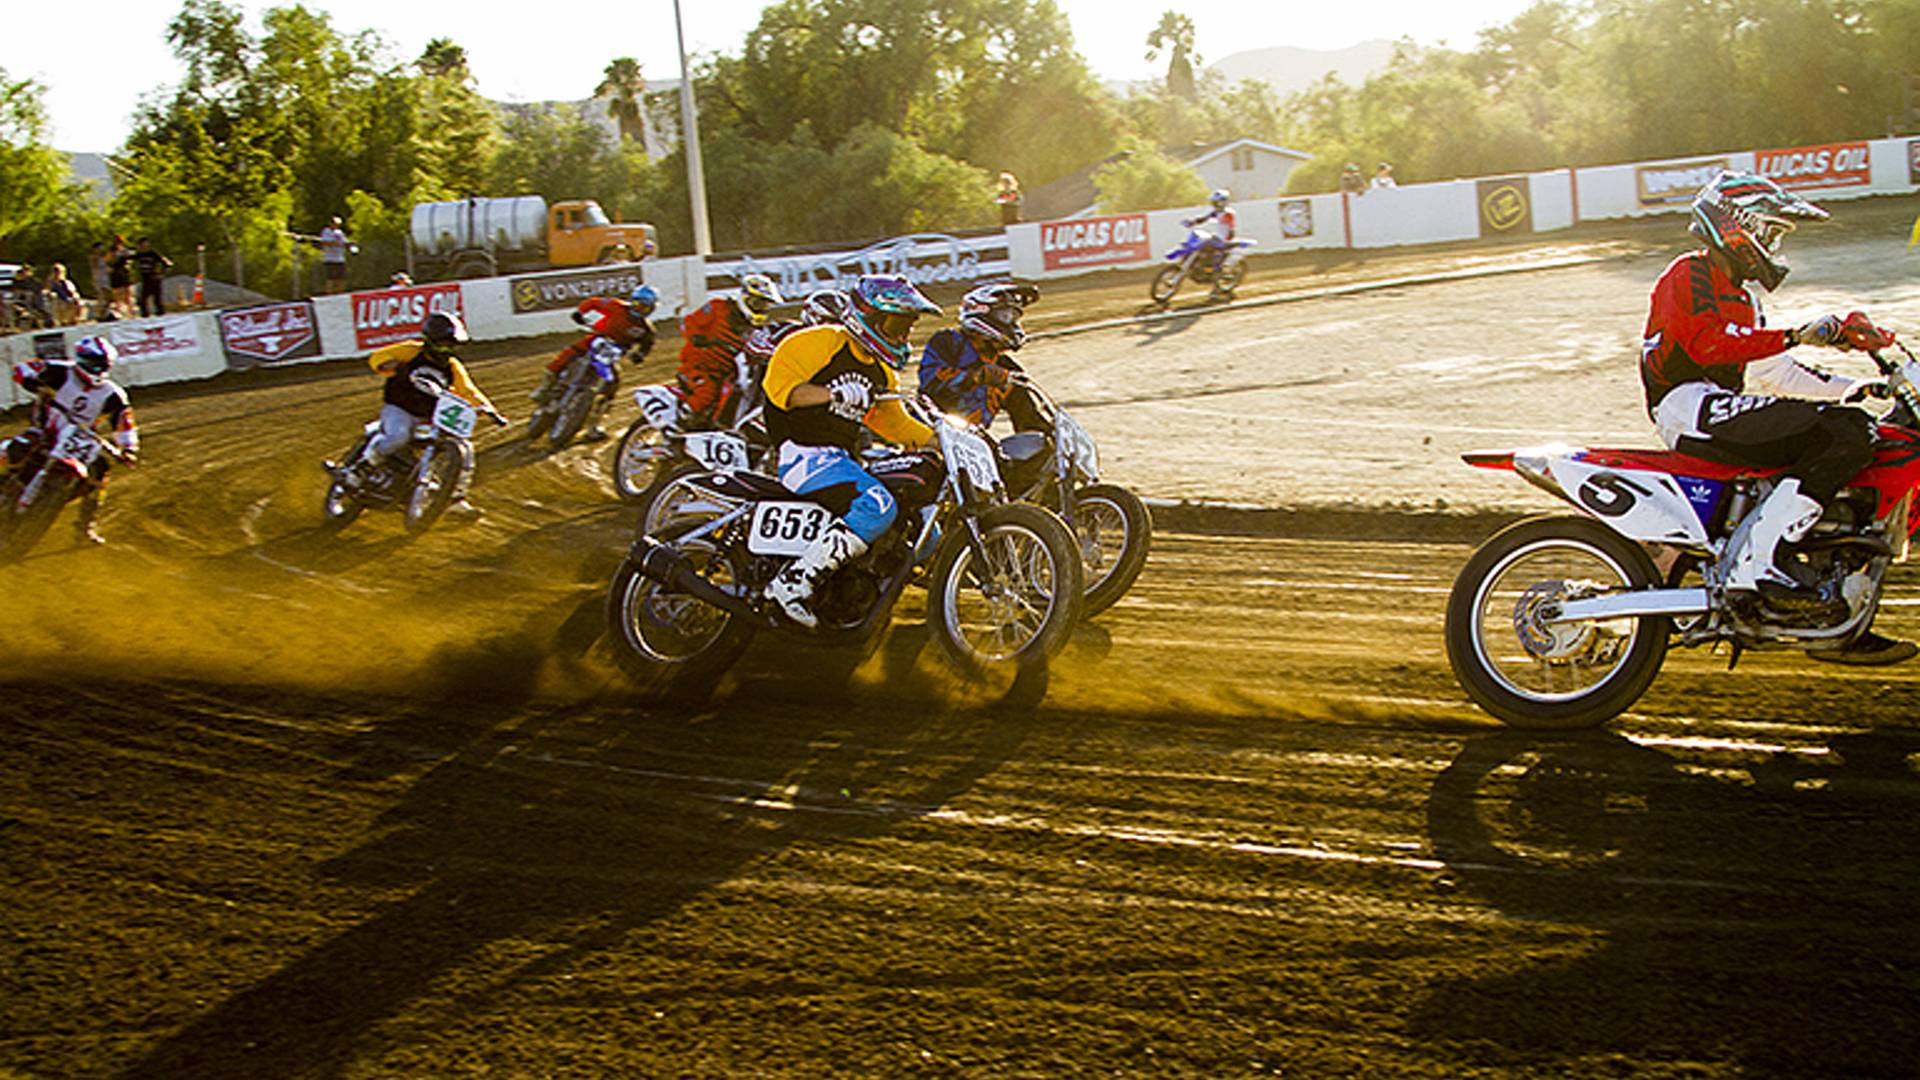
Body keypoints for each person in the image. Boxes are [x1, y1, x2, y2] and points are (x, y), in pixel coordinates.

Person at [1640, 169, 1912, 664]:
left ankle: (1833, 614)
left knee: (1855, 433)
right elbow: (1709, 342)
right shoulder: (1689, 274)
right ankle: (1757, 562)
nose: (1772, 245)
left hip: (1720, 409)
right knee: (1846, 434)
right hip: (1689, 404)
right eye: (1769, 232)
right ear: (1736, 227)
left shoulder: (1747, 300)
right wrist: (1798, 333)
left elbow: (1778, 373)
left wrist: (1856, 389)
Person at [760, 274, 942, 627]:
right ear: (869, 316)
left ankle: (859, 592)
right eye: (896, 323)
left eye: (908, 326)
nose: (903, 335)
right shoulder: (820, 342)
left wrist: (944, 440)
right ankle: (791, 584)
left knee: (923, 525)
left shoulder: (882, 372)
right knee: (878, 506)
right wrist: (832, 394)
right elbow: (781, 390)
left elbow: (896, 426)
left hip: (841, 460)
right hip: (801, 454)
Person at [336, 312, 501, 512]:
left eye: (451, 345)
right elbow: (377, 357)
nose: (446, 349)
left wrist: (487, 408)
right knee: (398, 436)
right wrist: (389, 364)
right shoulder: (411, 351)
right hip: (399, 408)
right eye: (442, 344)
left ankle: (455, 499)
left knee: (463, 448)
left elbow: (468, 390)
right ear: (429, 340)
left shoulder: (452, 366)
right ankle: (360, 469)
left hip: (429, 415)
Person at [7, 336, 139, 545]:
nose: (96, 370)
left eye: (101, 366)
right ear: (80, 359)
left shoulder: (113, 394)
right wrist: (32, 382)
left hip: (78, 440)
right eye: (91, 364)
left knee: (100, 472)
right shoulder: (59, 370)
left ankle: (85, 527)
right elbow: (23, 369)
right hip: (44, 430)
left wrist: (129, 448)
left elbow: (124, 422)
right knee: (15, 450)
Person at [530, 284, 660, 440]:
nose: (640, 310)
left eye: (645, 308)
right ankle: (544, 388)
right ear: (632, 301)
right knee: (565, 357)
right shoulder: (617, 306)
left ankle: (595, 424)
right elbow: (594, 302)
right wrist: (580, 312)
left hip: (612, 353)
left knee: (612, 384)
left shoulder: (646, 329)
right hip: (596, 340)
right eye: (638, 305)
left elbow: (647, 344)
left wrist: (639, 354)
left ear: (652, 309)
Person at [918, 281, 1043, 429]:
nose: (1010, 323)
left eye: (1013, 317)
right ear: (980, 311)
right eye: (1004, 315)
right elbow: (930, 381)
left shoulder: (1007, 368)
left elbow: (1027, 419)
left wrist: (1048, 437)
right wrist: (976, 376)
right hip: (928, 432)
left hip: (973, 444)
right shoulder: (949, 342)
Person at [676, 272, 782, 428]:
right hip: (700, 366)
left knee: (737, 398)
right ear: (745, 298)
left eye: (765, 305)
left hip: (728, 373)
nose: (761, 309)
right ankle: (680, 425)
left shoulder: (754, 329)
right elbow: (689, 322)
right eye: (758, 303)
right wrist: (697, 337)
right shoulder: (718, 307)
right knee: (705, 394)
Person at [1182, 190, 1237, 275]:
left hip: (1224, 239)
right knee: (1198, 246)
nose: (1215, 205)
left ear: (1224, 202)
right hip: (1217, 237)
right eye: (1214, 202)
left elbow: (1231, 227)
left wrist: (1229, 237)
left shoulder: (1228, 213)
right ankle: (1199, 267)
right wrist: (1192, 222)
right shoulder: (1216, 212)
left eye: (1217, 202)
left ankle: (1211, 270)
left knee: (1207, 248)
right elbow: (1204, 219)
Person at [132, 237, 172, 316]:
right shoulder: (138, 255)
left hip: (154, 278)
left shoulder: (153, 254)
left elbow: (167, 264)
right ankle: (145, 316)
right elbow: (127, 259)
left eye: (145, 244)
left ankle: (160, 315)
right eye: (141, 245)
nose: (144, 246)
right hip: (145, 279)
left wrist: (161, 274)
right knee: (142, 300)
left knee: (157, 299)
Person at [318, 217, 352, 294]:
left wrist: (349, 244)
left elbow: (345, 241)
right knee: (331, 278)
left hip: (340, 258)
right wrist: (336, 244)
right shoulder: (326, 231)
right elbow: (325, 242)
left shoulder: (339, 232)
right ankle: (329, 294)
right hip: (330, 258)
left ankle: (339, 293)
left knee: (341, 278)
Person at [106, 236, 135, 319]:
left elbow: (130, 259)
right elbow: (107, 260)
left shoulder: (125, 251)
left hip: (124, 273)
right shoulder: (112, 251)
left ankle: (131, 312)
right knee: (118, 294)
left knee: (128, 294)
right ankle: (120, 312)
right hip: (116, 273)